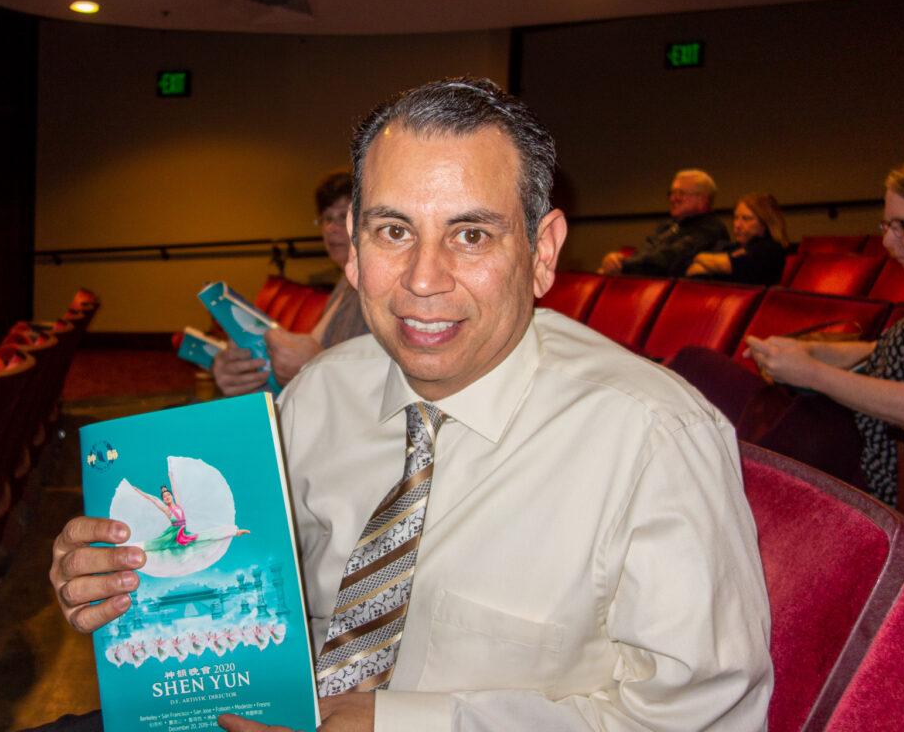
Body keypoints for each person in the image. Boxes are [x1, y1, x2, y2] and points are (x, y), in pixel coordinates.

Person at [48, 79, 771, 731]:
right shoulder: (325, 391)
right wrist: (134, 580)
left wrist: (403, 725)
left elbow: (701, 720)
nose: (424, 280)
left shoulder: (655, 440)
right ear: (355, 252)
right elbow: (249, 578)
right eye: (394, 232)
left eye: (472, 234)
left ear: (543, 251)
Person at [742, 151, 904, 504]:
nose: (889, 241)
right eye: (887, 226)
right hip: (856, 442)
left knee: (697, 369)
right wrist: (813, 351)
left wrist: (813, 373)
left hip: (876, 469)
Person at [211, 171, 369, 395]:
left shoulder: (378, 288)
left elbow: (381, 386)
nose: (331, 228)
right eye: (326, 218)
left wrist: (315, 366)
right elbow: (315, 354)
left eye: (343, 216)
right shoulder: (345, 281)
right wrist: (245, 373)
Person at [599, 169, 729, 277]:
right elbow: (645, 252)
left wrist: (623, 267)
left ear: (702, 199)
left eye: (681, 193)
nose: (673, 199)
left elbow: (668, 259)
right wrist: (616, 260)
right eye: (672, 193)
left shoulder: (710, 229)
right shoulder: (668, 225)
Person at [687, 192, 790, 285]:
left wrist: (700, 256)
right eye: (736, 218)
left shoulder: (770, 249)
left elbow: (728, 265)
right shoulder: (736, 246)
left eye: (746, 218)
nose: (737, 225)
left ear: (765, 223)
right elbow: (693, 270)